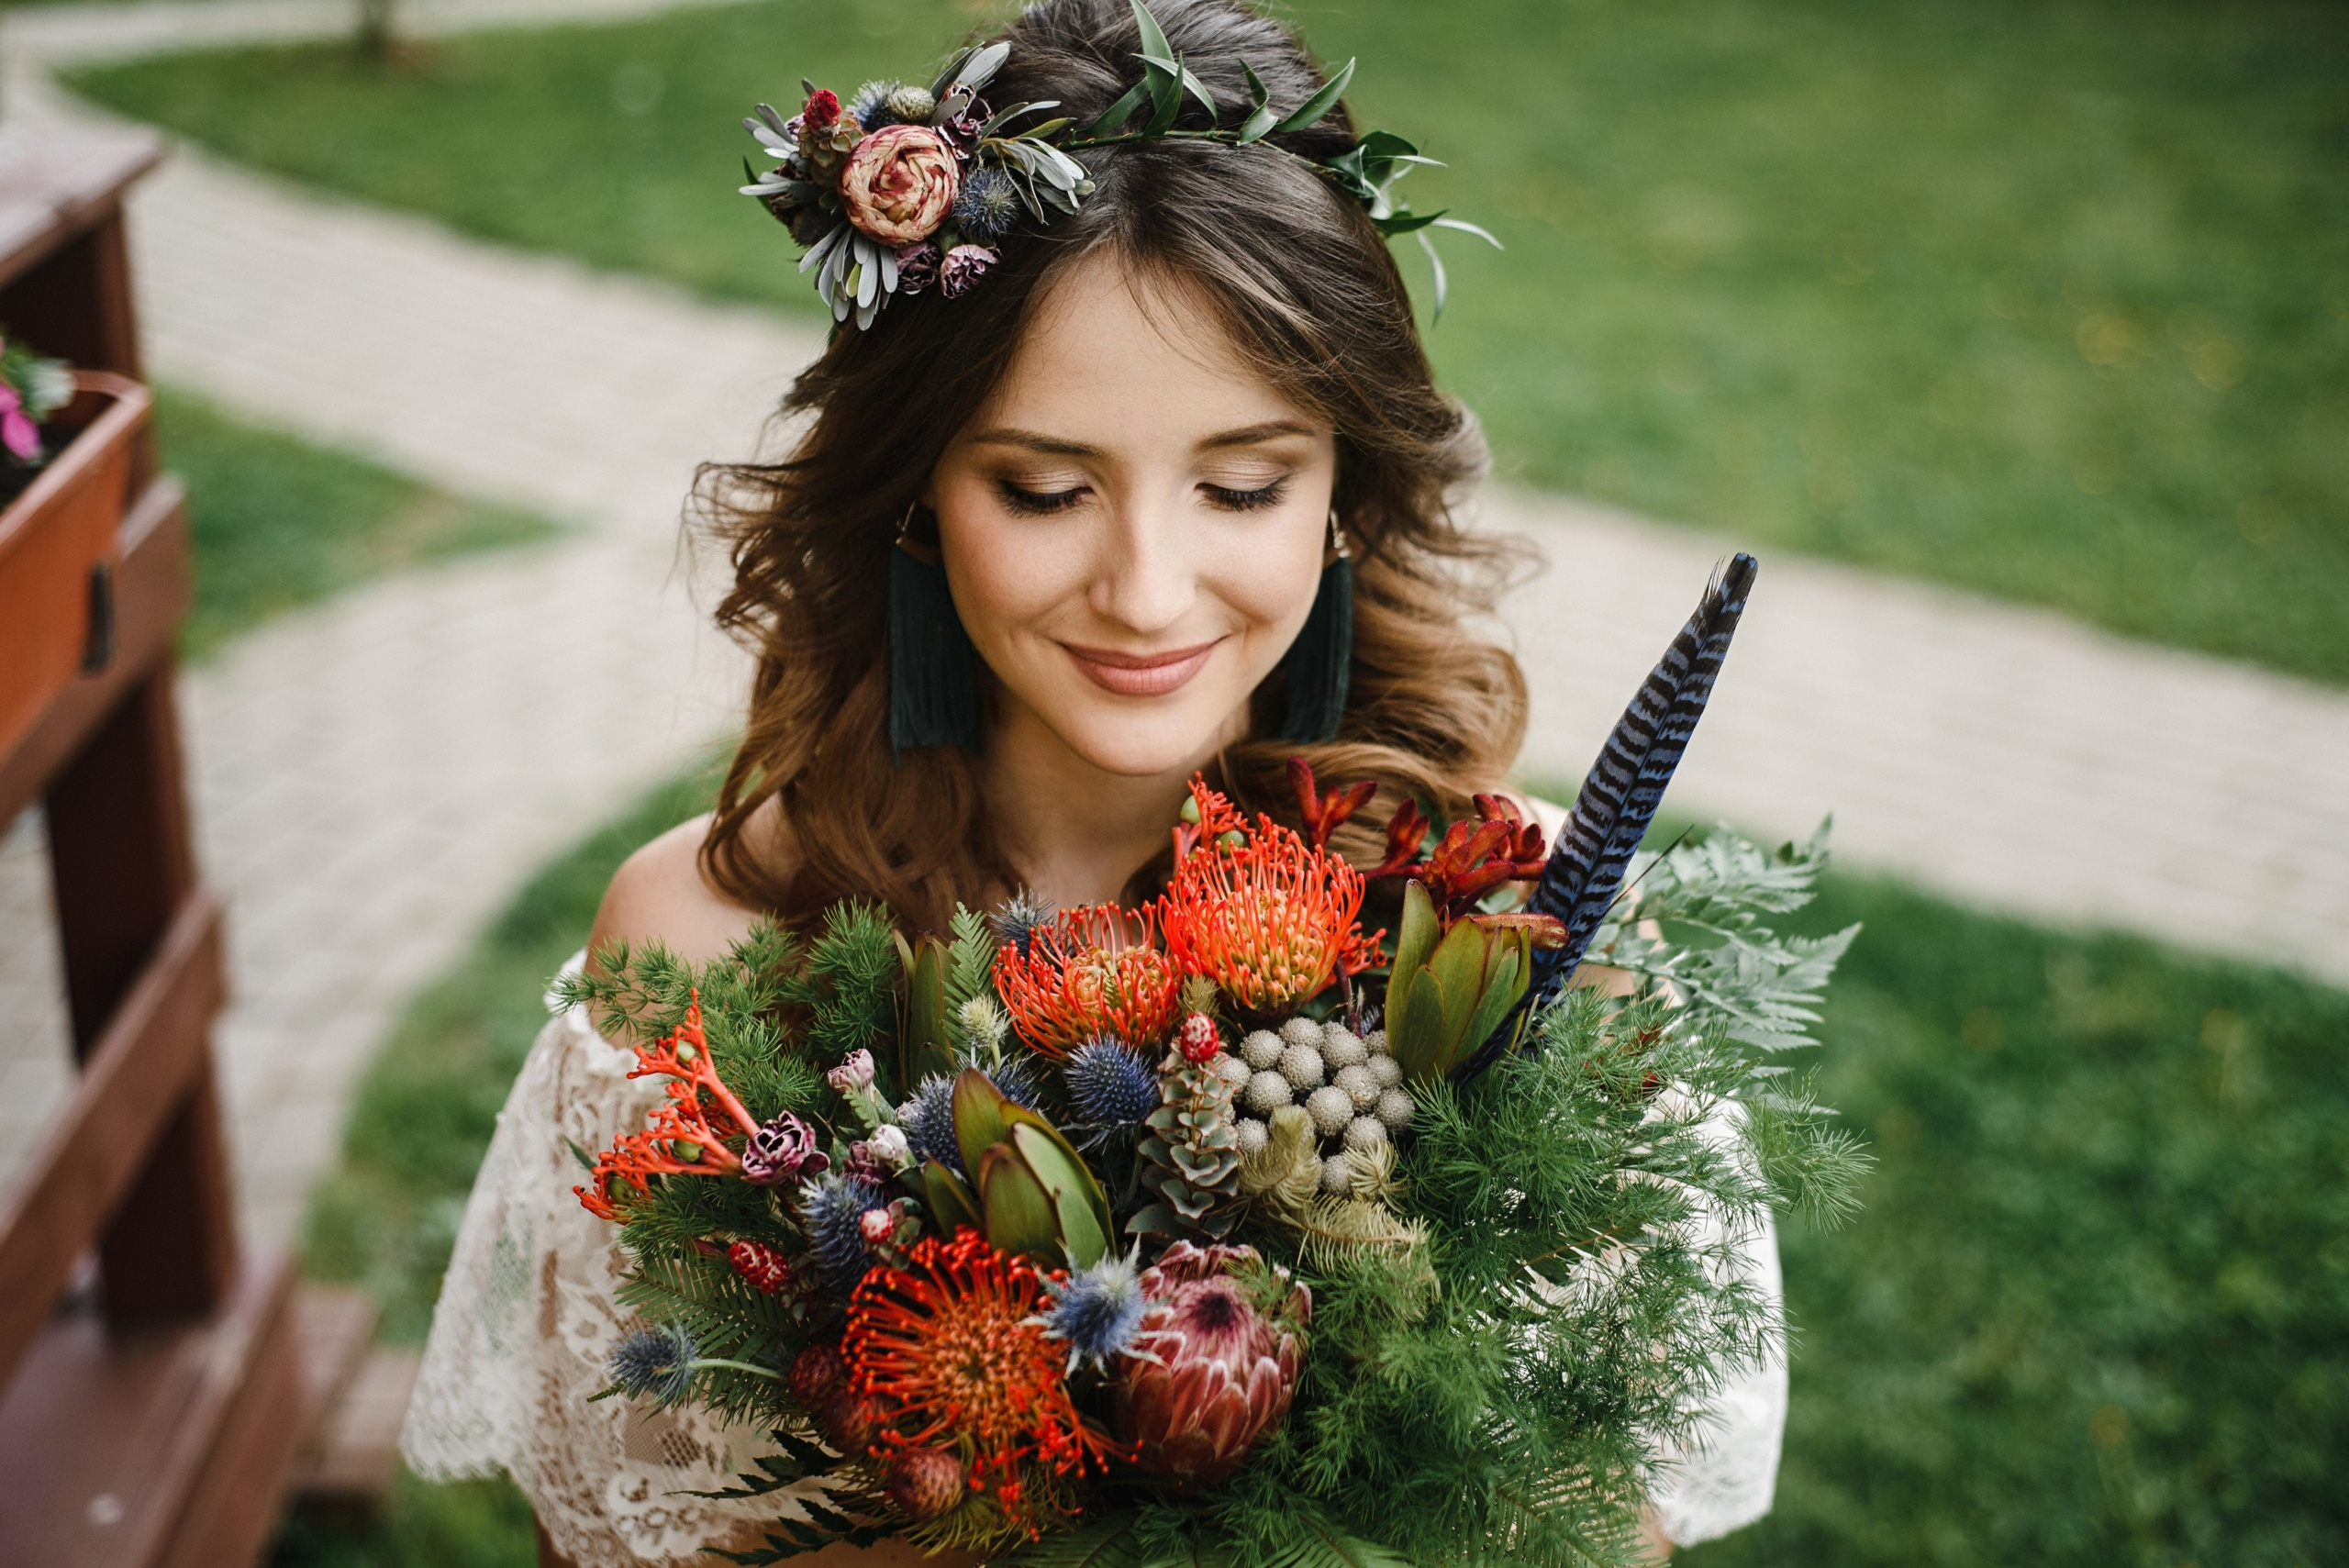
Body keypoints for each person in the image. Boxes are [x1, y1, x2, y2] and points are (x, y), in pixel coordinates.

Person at [398, 1, 1785, 1562]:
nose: (1144, 589)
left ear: (1344, 497)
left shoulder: (1521, 933)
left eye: (1242, 484)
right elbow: (621, 1530)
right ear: (919, 488)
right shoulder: (705, 947)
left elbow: (1609, 1515)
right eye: (1046, 487)